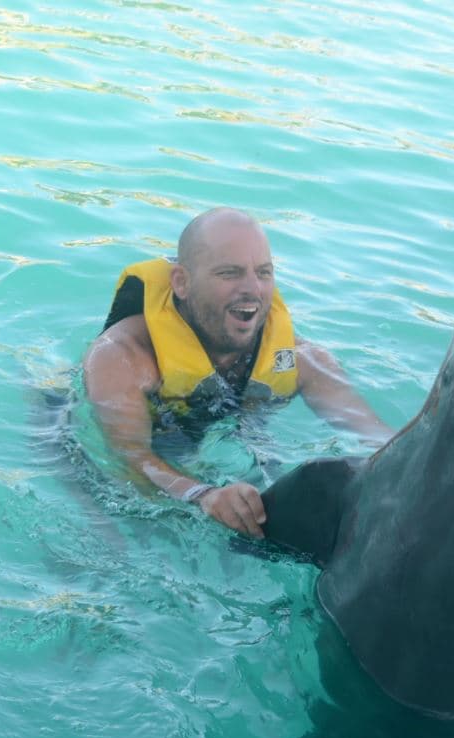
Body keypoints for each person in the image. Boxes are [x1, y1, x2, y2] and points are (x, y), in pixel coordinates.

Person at [82, 207, 393, 538]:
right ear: (182, 283)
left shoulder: (302, 359)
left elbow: (379, 440)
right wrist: (201, 495)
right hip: (101, 449)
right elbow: (129, 459)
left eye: (263, 273)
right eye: (229, 273)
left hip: (223, 439)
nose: (252, 289)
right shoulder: (120, 357)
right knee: (109, 537)